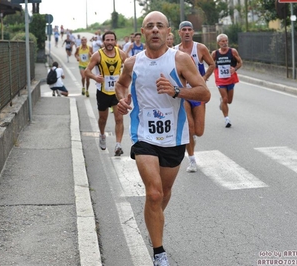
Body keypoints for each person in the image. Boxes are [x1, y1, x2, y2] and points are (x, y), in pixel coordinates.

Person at [115, 11, 210, 265]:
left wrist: (177, 90)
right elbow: (121, 85)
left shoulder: (180, 60)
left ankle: (152, 218)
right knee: (154, 194)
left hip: (174, 137)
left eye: (160, 26)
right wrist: (123, 101)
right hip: (144, 135)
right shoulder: (132, 63)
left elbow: (204, 93)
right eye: (149, 26)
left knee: (164, 193)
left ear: (169, 33)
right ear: (143, 32)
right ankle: (159, 253)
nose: (155, 30)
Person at [174, 21, 215, 173]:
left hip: (197, 94)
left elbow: (212, 64)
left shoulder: (200, 48)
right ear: (179, 33)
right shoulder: (174, 51)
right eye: (183, 30)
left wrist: (203, 79)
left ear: (193, 32)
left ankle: (192, 138)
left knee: (199, 131)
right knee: (189, 128)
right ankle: (191, 159)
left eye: (189, 30)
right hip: (183, 94)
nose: (186, 32)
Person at [85, 31, 127, 156]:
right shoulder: (97, 55)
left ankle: (118, 145)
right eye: (107, 40)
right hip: (102, 91)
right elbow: (87, 71)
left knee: (119, 118)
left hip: (117, 92)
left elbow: (130, 67)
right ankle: (102, 134)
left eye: (111, 40)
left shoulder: (121, 54)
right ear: (103, 41)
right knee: (103, 119)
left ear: (115, 41)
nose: (109, 42)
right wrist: (94, 77)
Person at [211, 33, 243, 128]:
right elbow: (210, 64)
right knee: (225, 99)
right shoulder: (215, 53)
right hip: (220, 79)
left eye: (226, 41)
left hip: (230, 78)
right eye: (222, 41)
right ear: (218, 43)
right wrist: (211, 72)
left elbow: (240, 62)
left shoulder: (233, 51)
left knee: (229, 101)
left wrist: (235, 69)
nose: (225, 43)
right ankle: (227, 119)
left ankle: (222, 102)